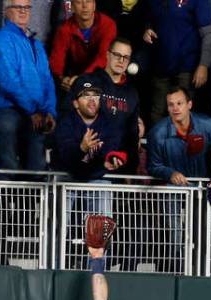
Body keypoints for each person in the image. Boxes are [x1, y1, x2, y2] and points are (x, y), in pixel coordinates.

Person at [146, 86, 211, 270]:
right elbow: (153, 166)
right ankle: (175, 272)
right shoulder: (157, 133)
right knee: (174, 237)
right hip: (173, 189)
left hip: (202, 187)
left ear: (189, 104)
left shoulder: (207, 125)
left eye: (180, 103)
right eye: (171, 104)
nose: (175, 108)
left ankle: (206, 272)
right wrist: (170, 173)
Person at [0, 0, 57, 173]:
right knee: (8, 166)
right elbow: (9, 81)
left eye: (26, 7)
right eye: (18, 7)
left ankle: (32, 200)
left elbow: (47, 80)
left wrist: (49, 111)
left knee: (37, 168)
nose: (23, 11)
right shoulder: (0, 39)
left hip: (35, 112)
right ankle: (2, 198)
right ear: (6, 11)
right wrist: (33, 110)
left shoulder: (37, 44)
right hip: (7, 110)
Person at [53, 78, 124, 230]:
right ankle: (55, 254)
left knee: (101, 226)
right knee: (58, 225)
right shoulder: (65, 122)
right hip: (67, 177)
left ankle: (98, 255)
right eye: (86, 95)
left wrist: (110, 159)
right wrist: (82, 148)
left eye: (96, 95)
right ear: (75, 103)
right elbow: (65, 156)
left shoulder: (109, 123)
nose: (92, 100)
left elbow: (110, 151)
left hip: (96, 178)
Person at [71, 37, 141, 174]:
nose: (121, 61)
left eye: (126, 57)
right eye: (117, 55)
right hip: (83, 166)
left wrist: (127, 162)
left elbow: (132, 135)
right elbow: (68, 117)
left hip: (116, 168)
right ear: (108, 55)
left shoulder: (132, 93)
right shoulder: (87, 81)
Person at [143, 0, 211, 123]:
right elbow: (150, 17)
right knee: (157, 112)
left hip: (187, 68)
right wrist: (148, 29)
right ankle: (158, 142)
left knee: (182, 114)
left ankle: (182, 143)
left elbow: (208, 34)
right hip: (161, 66)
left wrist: (204, 65)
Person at [50, 0, 118, 97]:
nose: (85, 6)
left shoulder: (108, 25)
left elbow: (103, 57)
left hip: (102, 76)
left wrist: (81, 78)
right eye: (79, 2)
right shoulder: (64, 29)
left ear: (94, 5)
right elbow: (56, 59)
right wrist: (62, 79)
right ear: (72, 7)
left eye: (88, 1)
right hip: (75, 76)